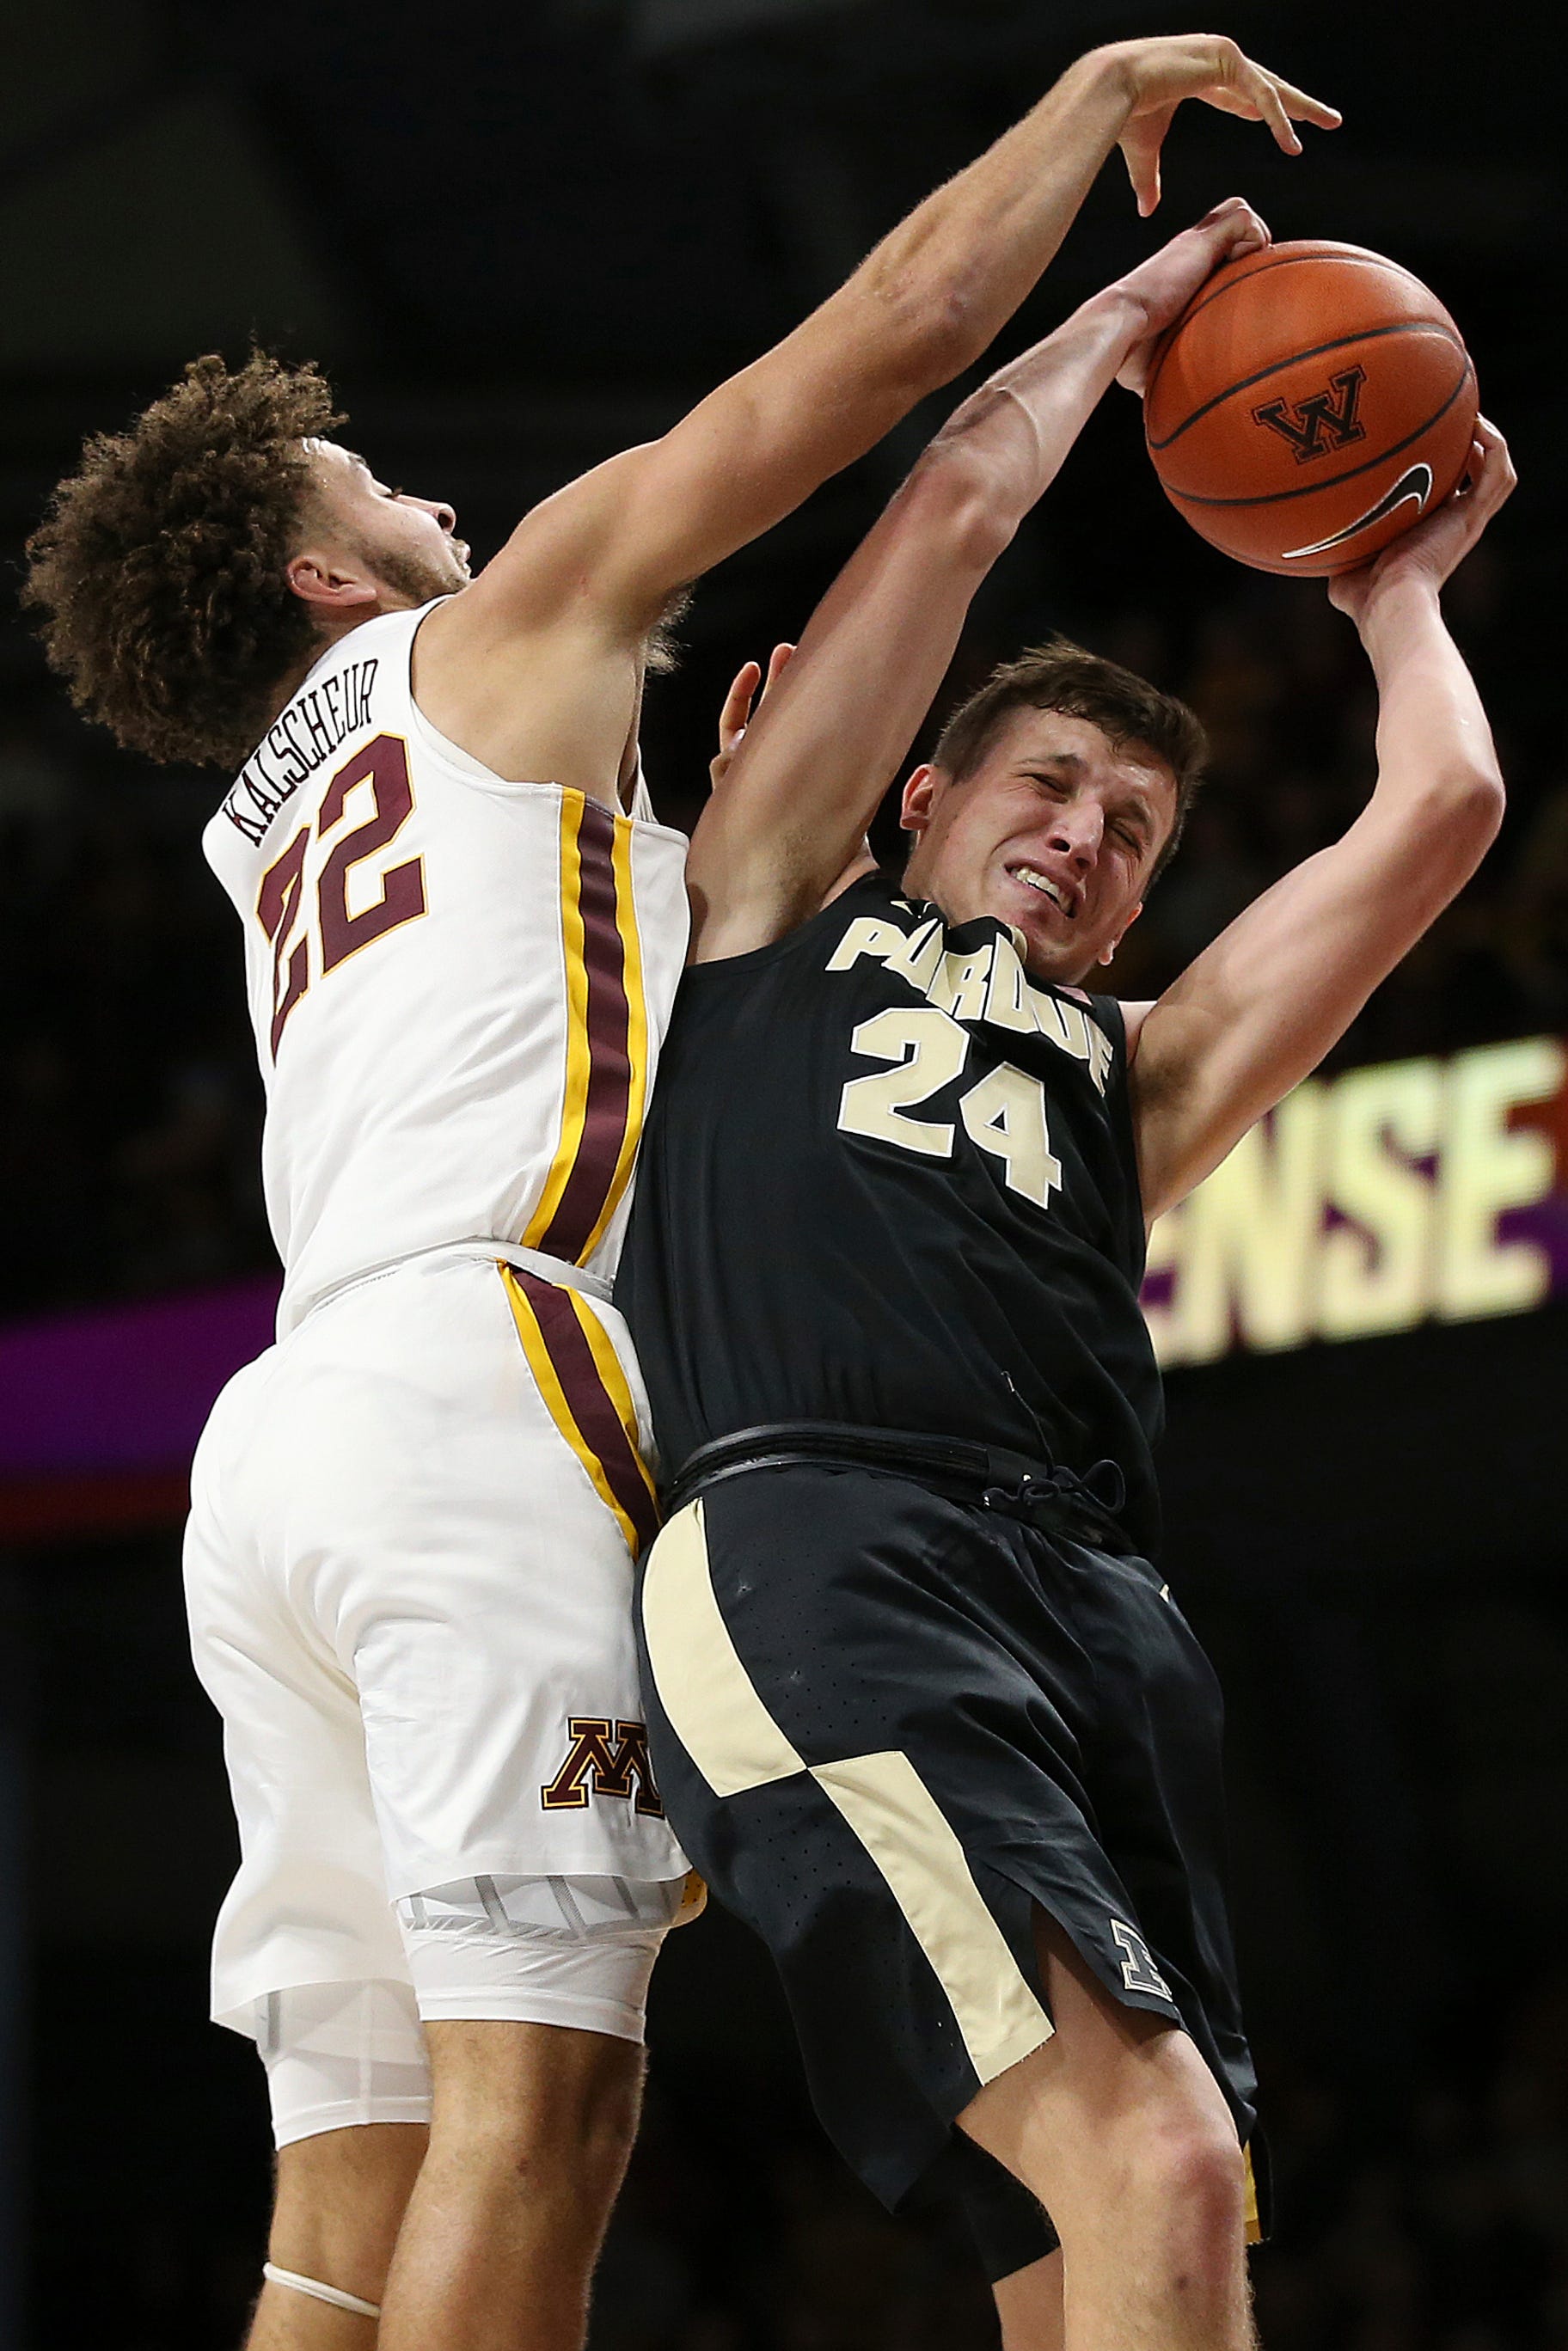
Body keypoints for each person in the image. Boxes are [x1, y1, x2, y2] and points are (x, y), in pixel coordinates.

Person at [24, 38, 1338, 2351]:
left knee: (349, 2172)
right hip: (483, 1389)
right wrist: (1078, 131)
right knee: (538, 2114)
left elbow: (642, 954)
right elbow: (884, 346)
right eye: (382, 485)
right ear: (332, 567)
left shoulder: (268, 832)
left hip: (285, 1437)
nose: (442, 501)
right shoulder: (492, 638)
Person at [616, 194, 1513, 2348]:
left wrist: (1389, 588)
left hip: (1094, 1606)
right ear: (918, 798)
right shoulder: (759, 914)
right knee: (1160, 2158)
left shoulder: (1144, 1069)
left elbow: (1449, 801)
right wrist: (1118, 327)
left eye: (1132, 830)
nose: (1088, 834)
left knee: (1123, 2226)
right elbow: (943, 508)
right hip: (822, 1541)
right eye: (1051, 783)